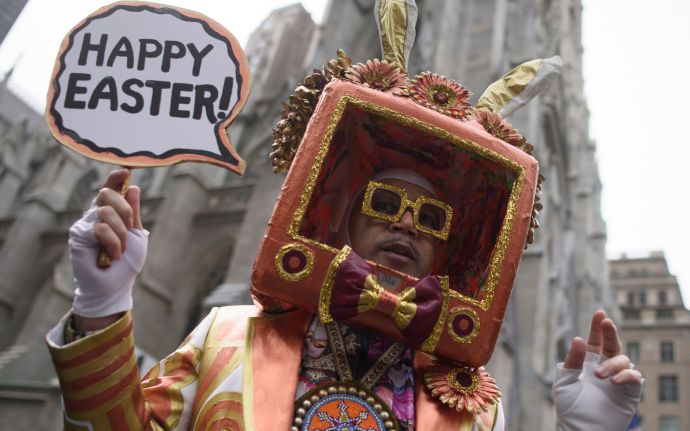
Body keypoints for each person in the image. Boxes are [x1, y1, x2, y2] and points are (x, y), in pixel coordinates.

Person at [46, 167, 642, 430]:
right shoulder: (228, 333)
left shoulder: (475, 408)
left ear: (444, 255)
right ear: (346, 227)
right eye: (384, 205)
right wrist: (103, 306)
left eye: (430, 220)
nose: (406, 225)